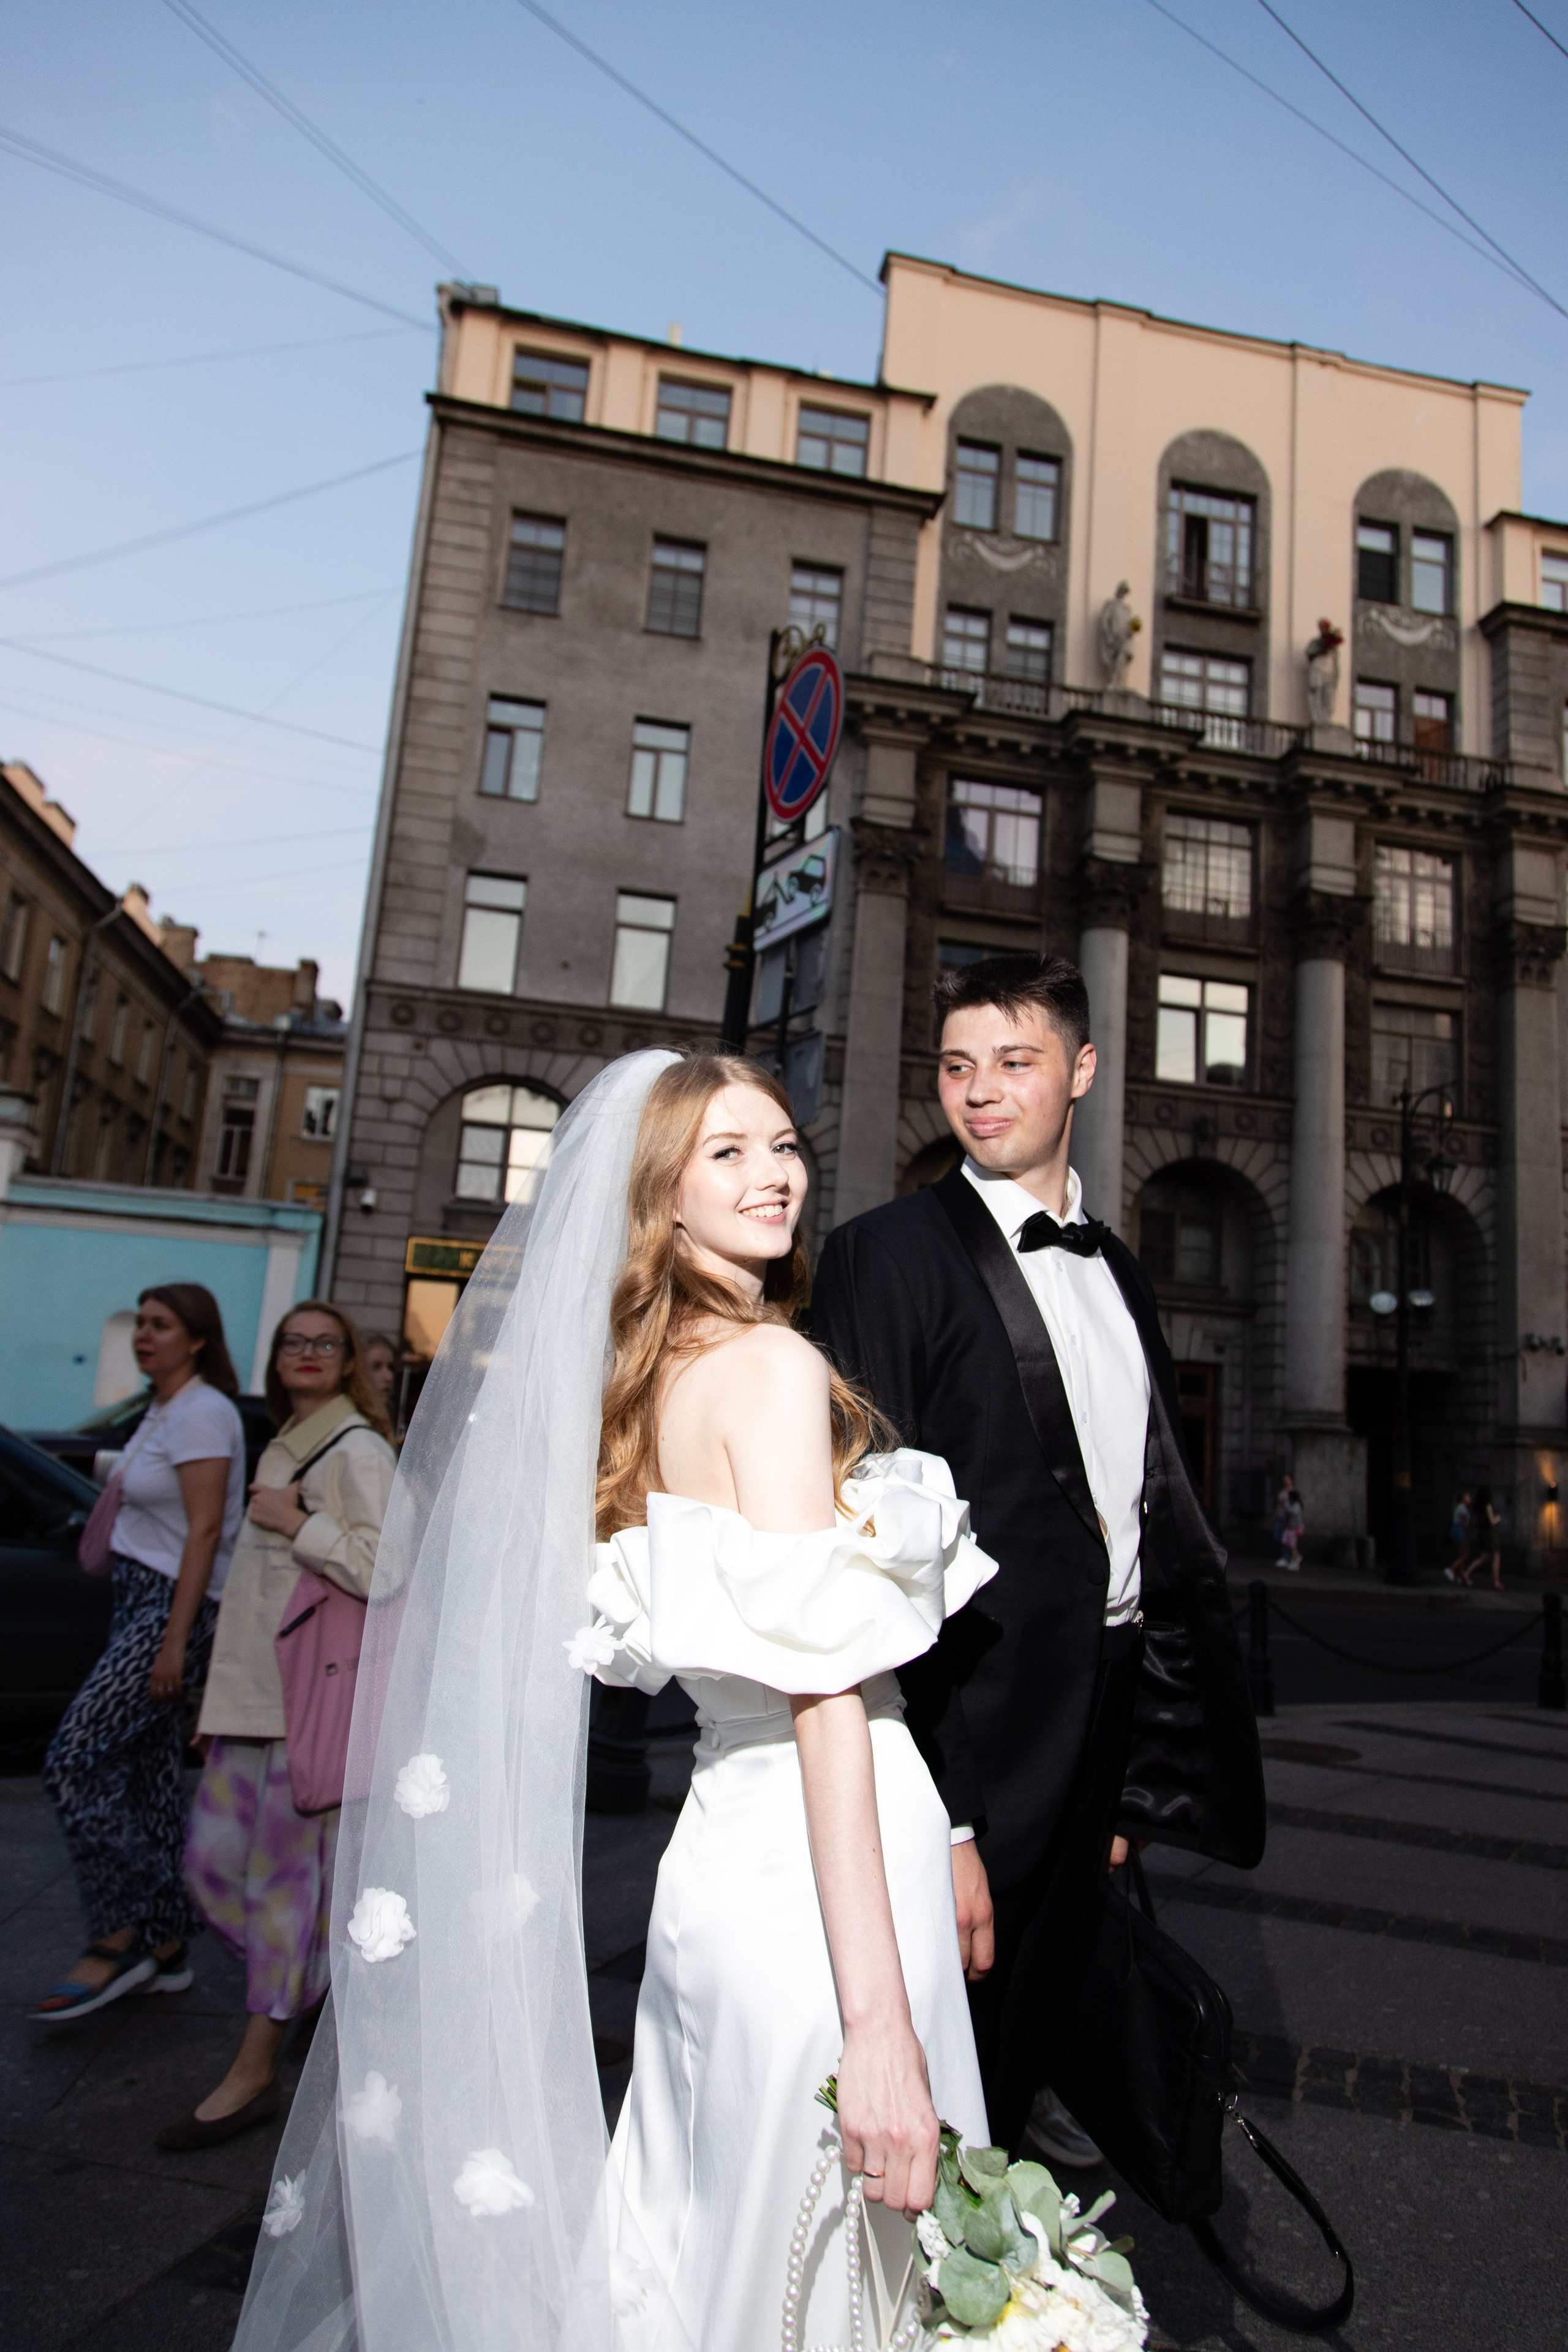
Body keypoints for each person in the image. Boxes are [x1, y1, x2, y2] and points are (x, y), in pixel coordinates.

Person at [235, 1052, 994, 2352]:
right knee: (829, 2260)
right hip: (826, 1878)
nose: (773, 1174)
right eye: (725, 1154)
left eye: (782, 1145)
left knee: (704, 2234)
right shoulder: (766, 1371)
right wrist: (875, 2026)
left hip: (723, 1867)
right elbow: (824, 1696)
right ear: (663, 1195)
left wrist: (954, 1838)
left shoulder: (644, 1384)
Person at [810, 954, 1265, 2160]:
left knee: (1027, 2033)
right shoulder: (883, 1254)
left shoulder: (1116, 1268)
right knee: (940, 2036)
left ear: (1080, 1070)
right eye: (957, 1067)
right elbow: (859, 1540)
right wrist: (942, 1818)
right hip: (970, 1726)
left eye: (1012, 1063)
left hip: (1097, 1724)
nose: (978, 1092)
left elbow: (1146, 1519)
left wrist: (1132, 1776)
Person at [157, 1300, 397, 2152]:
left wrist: (300, 1522)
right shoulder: (287, 1444)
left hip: (303, 1707)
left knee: (282, 1893)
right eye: (293, 1343)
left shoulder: (356, 1450)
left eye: (324, 1344)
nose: (307, 1355)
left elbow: (386, 1564)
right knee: (214, 1869)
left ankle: (256, 2064)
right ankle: (306, 1985)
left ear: (345, 1364)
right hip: (252, 1700)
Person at [30, 1284, 246, 2021]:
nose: (143, 1336)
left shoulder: (203, 1413)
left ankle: (121, 1929)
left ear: (197, 1339)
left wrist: (175, 1642)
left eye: (161, 1326)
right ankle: (168, 1948)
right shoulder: (163, 1407)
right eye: (142, 1324)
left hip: (168, 1608)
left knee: (75, 1758)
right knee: (151, 1777)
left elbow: (207, 1531)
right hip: (139, 1600)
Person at [1461, 1485, 1504, 1591]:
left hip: (1483, 1533)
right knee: (1496, 1556)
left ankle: (1467, 1573)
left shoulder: (1479, 1507)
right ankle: (1496, 1582)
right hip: (1490, 1534)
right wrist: (1498, 1519)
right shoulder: (1488, 1505)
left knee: (1484, 1556)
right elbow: (1492, 1521)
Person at [1275, 1476, 1305, 1571]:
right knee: (1285, 1541)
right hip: (1288, 1526)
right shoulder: (1286, 1497)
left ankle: (1295, 1560)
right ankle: (1295, 1557)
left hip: (1293, 1528)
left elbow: (1293, 1512)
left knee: (1292, 1545)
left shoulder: (1296, 1505)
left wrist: (1286, 1503)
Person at [1444, 1489, 1473, 1583]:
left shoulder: (1459, 1507)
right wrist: (1468, 1535)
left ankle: (1462, 1576)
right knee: (1466, 1554)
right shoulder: (1462, 1508)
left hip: (1457, 1530)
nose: (1470, 1498)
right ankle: (1451, 1570)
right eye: (1468, 1497)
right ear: (1463, 1499)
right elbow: (1465, 1524)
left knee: (1461, 1554)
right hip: (1460, 1531)